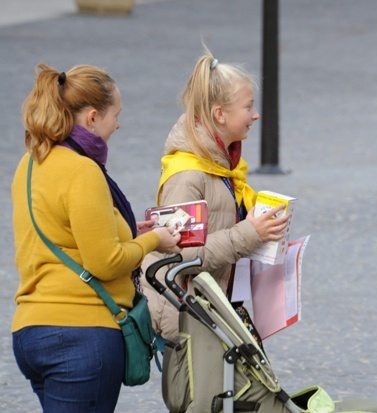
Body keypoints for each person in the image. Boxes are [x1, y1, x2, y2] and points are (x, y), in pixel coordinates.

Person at [11, 63, 182, 412]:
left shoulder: (30, 164)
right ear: (91, 118)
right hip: (80, 335)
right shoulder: (83, 170)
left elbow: (67, 232)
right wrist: (155, 241)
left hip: (31, 332)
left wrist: (131, 230)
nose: (118, 125)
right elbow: (105, 262)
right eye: (115, 115)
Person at [141, 48, 289, 342]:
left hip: (212, 312)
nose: (256, 115)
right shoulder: (187, 175)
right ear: (219, 115)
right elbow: (180, 255)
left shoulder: (223, 167)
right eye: (248, 107)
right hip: (191, 319)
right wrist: (250, 233)